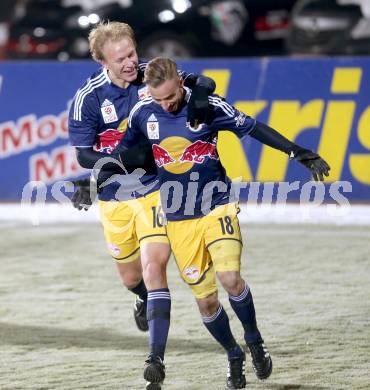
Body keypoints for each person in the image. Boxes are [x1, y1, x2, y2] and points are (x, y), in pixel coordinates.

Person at [116, 57, 330, 389]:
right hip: (178, 219)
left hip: (218, 206)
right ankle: (233, 354)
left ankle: (254, 339)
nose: (166, 105)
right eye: (158, 99)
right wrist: (96, 177)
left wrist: (296, 151)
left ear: (180, 83)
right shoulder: (144, 114)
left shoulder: (208, 106)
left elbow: (254, 127)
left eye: (170, 97)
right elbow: (123, 155)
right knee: (207, 302)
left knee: (230, 278)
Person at [67, 22, 215, 388]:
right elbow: (85, 156)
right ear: (102, 61)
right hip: (114, 197)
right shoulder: (88, 99)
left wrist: (198, 96)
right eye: (121, 59)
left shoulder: (153, 75)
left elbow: (204, 82)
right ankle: (143, 299)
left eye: (132, 53)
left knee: (154, 267)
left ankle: (155, 360)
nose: (132, 63)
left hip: (154, 189)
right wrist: (120, 159)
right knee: (131, 277)